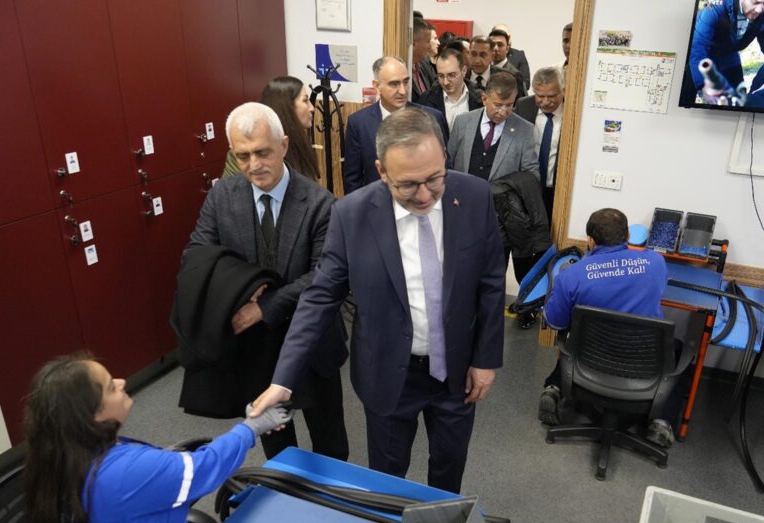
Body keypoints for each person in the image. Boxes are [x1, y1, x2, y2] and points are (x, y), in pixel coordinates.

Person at [251, 108, 505, 494]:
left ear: (444, 158)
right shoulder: (350, 214)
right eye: (408, 185)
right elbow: (320, 298)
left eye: (434, 178)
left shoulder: (474, 196)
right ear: (382, 171)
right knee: (386, 476)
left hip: (456, 371)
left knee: (449, 468)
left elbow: (490, 282)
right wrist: (283, 381)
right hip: (388, 375)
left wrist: (485, 359)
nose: (425, 195)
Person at [24, 355, 289, 523]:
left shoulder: (61, 458)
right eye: (110, 386)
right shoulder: (123, 472)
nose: (122, 382)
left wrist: (162, 465)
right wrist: (250, 428)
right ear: (92, 415)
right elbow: (206, 468)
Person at [183, 101, 349, 461]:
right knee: (276, 443)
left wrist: (264, 307)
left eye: (262, 152)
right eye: (243, 156)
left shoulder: (320, 203)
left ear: (284, 145)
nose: (254, 165)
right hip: (256, 348)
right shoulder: (222, 196)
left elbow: (324, 277)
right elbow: (196, 257)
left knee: (330, 441)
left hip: (314, 344)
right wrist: (243, 285)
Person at [539, 209, 678, 447]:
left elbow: (556, 323)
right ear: (627, 236)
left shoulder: (571, 276)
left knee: (572, 338)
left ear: (590, 240)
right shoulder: (656, 263)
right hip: (642, 364)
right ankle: (661, 422)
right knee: (678, 350)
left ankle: (554, 387)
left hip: (590, 361)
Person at [448, 72, 544, 328]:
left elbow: (531, 175)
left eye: (509, 105)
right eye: (498, 104)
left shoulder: (524, 129)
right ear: (484, 98)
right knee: (461, 269)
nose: (504, 111)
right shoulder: (463, 122)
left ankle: (487, 322)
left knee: (493, 274)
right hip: (462, 214)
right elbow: (449, 163)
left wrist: (503, 189)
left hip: (500, 221)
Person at [342, 57, 449, 194]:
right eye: (394, 84)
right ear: (377, 86)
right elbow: (352, 180)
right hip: (378, 203)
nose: (403, 91)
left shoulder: (432, 118)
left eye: (405, 82)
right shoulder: (359, 123)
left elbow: (445, 167)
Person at [683, 0, 764, 104]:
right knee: (686, 94)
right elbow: (698, 45)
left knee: (739, 98)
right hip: (699, 49)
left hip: (729, 50)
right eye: (755, 2)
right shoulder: (716, 7)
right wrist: (704, 83)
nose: (759, 9)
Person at [222, 76, 318, 180]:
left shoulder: (298, 144)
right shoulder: (242, 154)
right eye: (305, 100)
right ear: (287, 106)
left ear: (284, 145)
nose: (312, 108)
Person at [515, 66, 565, 224]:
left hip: (556, 191)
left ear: (563, 90)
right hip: (526, 189)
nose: (546, 102)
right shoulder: (523, 107)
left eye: (552, 96)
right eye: (540, 96)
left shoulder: (573, 111)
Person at [417, 47, 483, 132]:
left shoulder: (481, 99)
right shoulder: (426, 101)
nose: (446, 82)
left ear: (464, 71)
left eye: (451, 75)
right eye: (441, 76)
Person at [491, 23, 531, 91]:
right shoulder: (485, 62)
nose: (496, 48)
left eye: (507, 36)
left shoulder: (519, 56)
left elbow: (525, 84)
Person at [411, 18, 435, 102]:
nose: (430, 46)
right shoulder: (401, 70)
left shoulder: (425, 65)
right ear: (413, 43)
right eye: (428, 41)